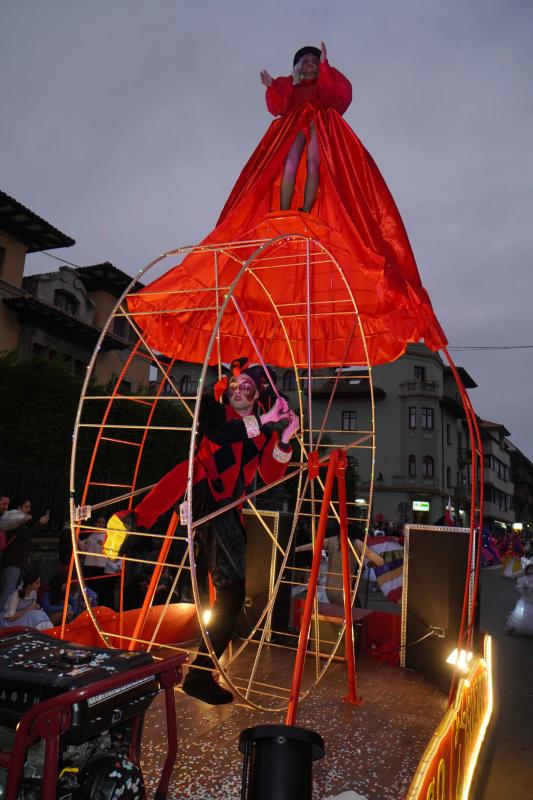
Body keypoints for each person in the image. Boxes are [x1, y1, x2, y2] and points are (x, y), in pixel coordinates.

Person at [111, 360, 299, 704]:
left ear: (258, 393)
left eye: (246, 387)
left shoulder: (263, 432)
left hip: (226, 509)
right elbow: (217, 435)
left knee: (228, 592)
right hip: (207, 497)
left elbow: (271, 475)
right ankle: (200, 673)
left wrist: (285, 439)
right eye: (234, 385)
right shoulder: (216, 411)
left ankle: (134, 524)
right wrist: (266, 421)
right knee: (230, 590)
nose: (237, 391)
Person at [296, 532, 384, 604]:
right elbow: (380, 561)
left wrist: (296, 549)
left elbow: (313, 545)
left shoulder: (332, 541)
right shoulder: (356, 543)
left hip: (330, 589)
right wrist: (374, 563)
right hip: (344, 590)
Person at [0, 499, 49, 611]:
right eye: (26, 507)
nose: (28, 509)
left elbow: (25, 540)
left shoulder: (20, 522)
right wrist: (39, 524)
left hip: (18, 560)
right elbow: (26, 536)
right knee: (9, 588)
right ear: (18, 507)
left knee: (12, 589)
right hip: (13, 560)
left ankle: (7, 612)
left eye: (29, 507)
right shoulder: (14, 522)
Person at [505, 561, 533, 636]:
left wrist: (529, 587)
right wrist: (523, 588)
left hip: (531, 599)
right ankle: (511, 629)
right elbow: (518, 586)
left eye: (532, 569)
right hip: (524, 599)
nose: (530, 570)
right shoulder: (523, 577)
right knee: (518, 615)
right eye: (529, 569)